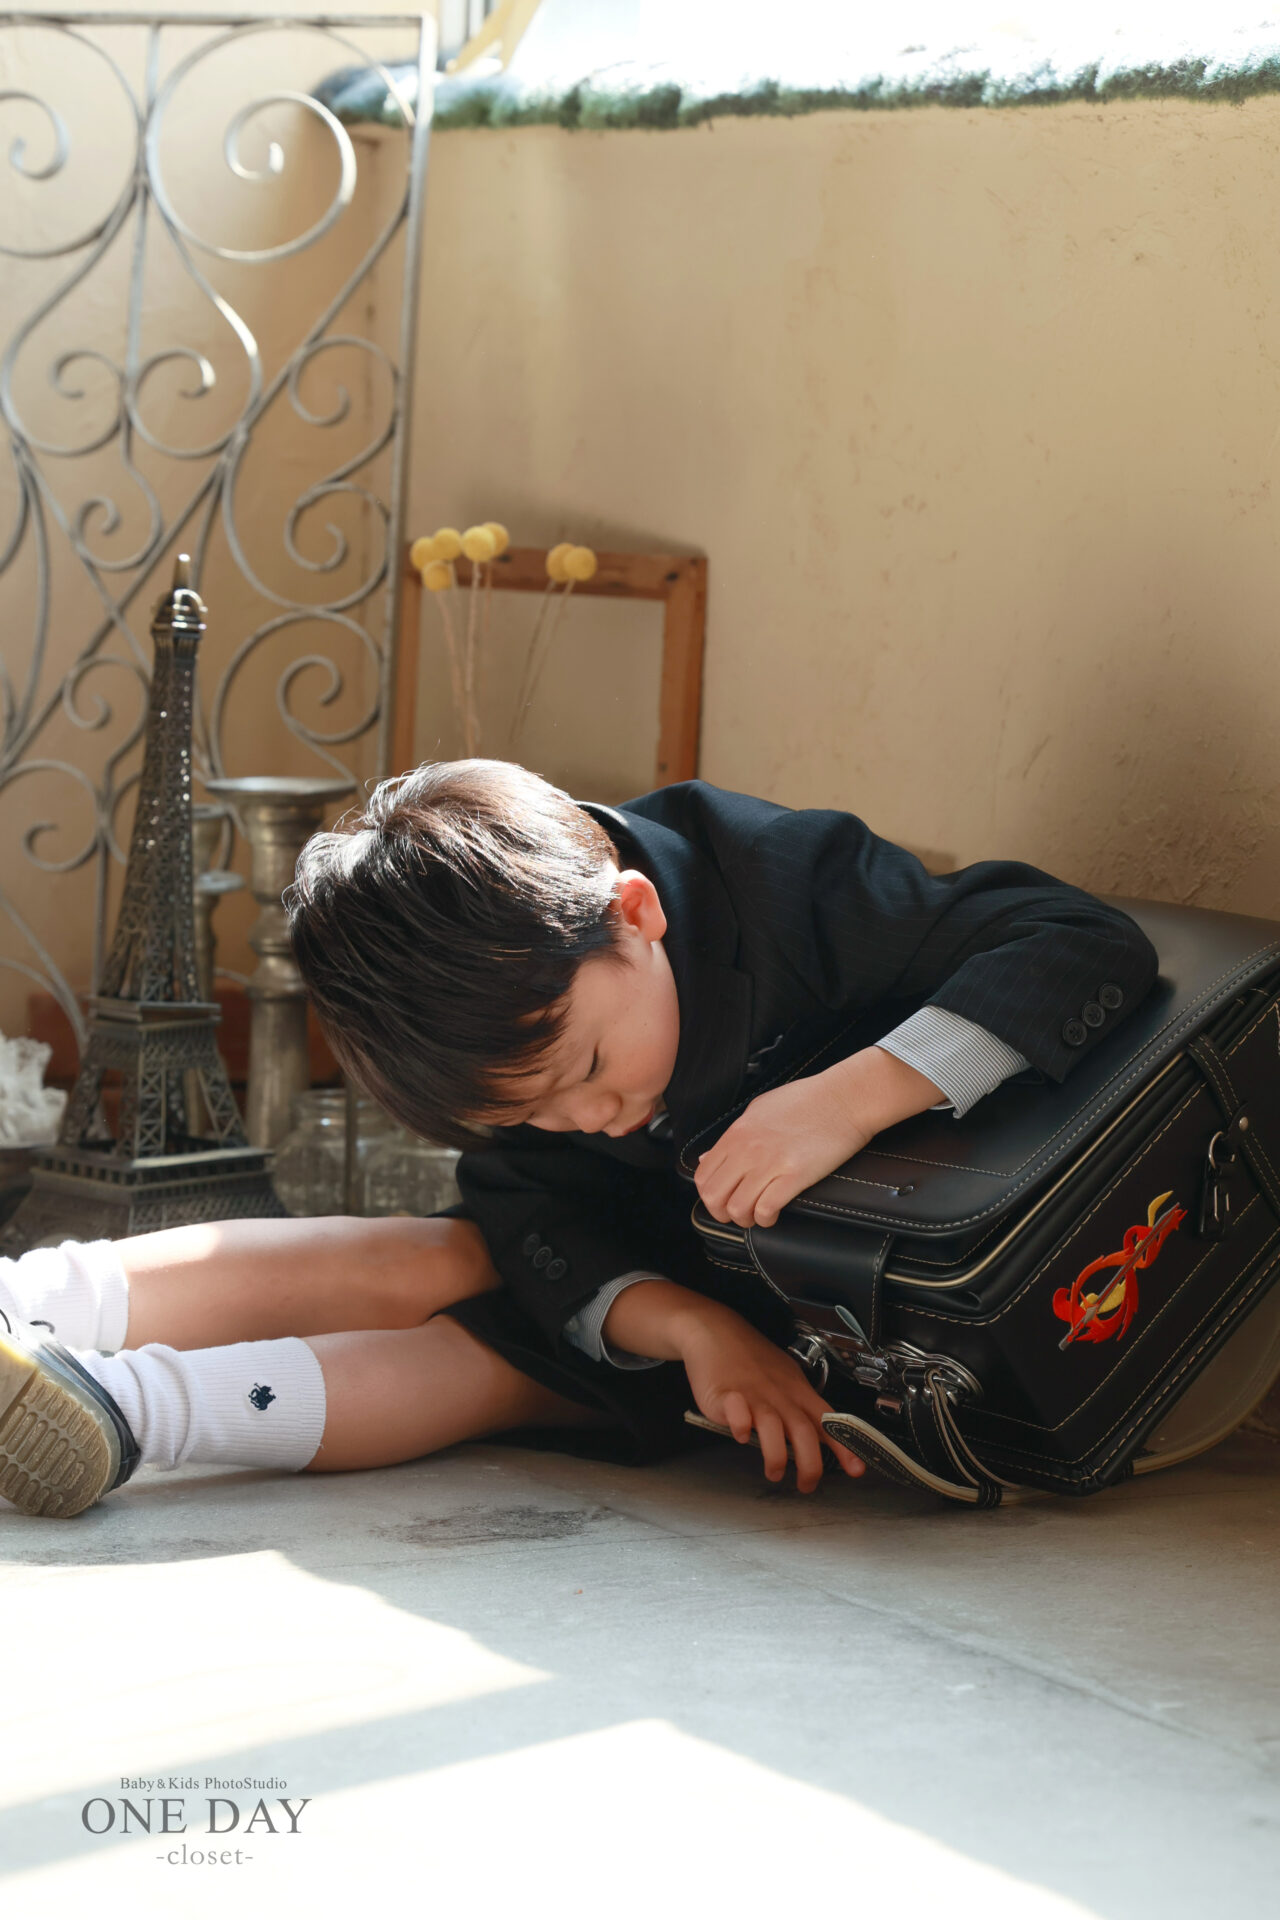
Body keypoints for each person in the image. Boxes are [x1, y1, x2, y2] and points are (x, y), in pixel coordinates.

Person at [0, 761, 1157, 1518]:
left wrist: (848, 1099)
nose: (587, 1117)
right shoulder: (546, 1065)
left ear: (635, 914)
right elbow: (527, 1202)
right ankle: (32, 1307)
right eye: (530, 1111)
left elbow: (1079, 940)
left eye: (589, 1070)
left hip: (823, 1295)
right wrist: (682, 1323)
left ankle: (131, 1413)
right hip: (641, 1274)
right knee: (434, 1253)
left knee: (489, 1371)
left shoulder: (786, 884)